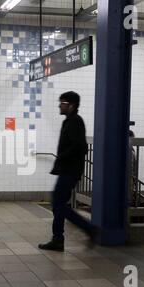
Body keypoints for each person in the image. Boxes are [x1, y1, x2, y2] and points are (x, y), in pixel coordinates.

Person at [39, 91, 96, 252]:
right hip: (66, 169)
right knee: (58, 203)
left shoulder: (75, 121)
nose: (59, 105)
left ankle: (88, 228)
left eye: (62, 103)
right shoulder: (69, 121)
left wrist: (62, 157)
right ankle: (58, 239)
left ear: (71, 105)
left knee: (58, 203)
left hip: (70, 170)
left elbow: (81, 146)